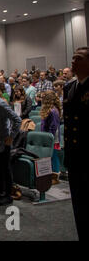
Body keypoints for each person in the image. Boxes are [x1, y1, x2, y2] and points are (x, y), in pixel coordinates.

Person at [63, 47, 89, 241]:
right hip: (74, 156)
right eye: (72, 58)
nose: (73, 62)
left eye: (78, 58)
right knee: (79, 206)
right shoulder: (69, 87)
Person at [40, 91, 62, 184]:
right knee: (51, 155)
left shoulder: (53, 111)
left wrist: (48, 137)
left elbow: (53, 126)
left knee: (54, 155)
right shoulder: (51, 109)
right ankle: (50, 174)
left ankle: (55, 176)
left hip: (52, 136)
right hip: (48, 135)